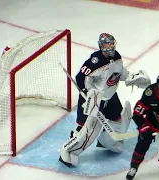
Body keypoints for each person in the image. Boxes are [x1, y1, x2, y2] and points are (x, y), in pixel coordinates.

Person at [59, 33, 151, 167]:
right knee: (86, 129)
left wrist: (131, 76)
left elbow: (118, 72)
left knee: (118, 121)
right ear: (102, 46)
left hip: (111, 96)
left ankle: (105, 141)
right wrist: (87, 93)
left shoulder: (117, 56)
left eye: (112, 43)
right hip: (95, 99)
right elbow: (81, 78)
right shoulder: (96, 61)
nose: (111, 46)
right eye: (108, 44)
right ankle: (67, 152)